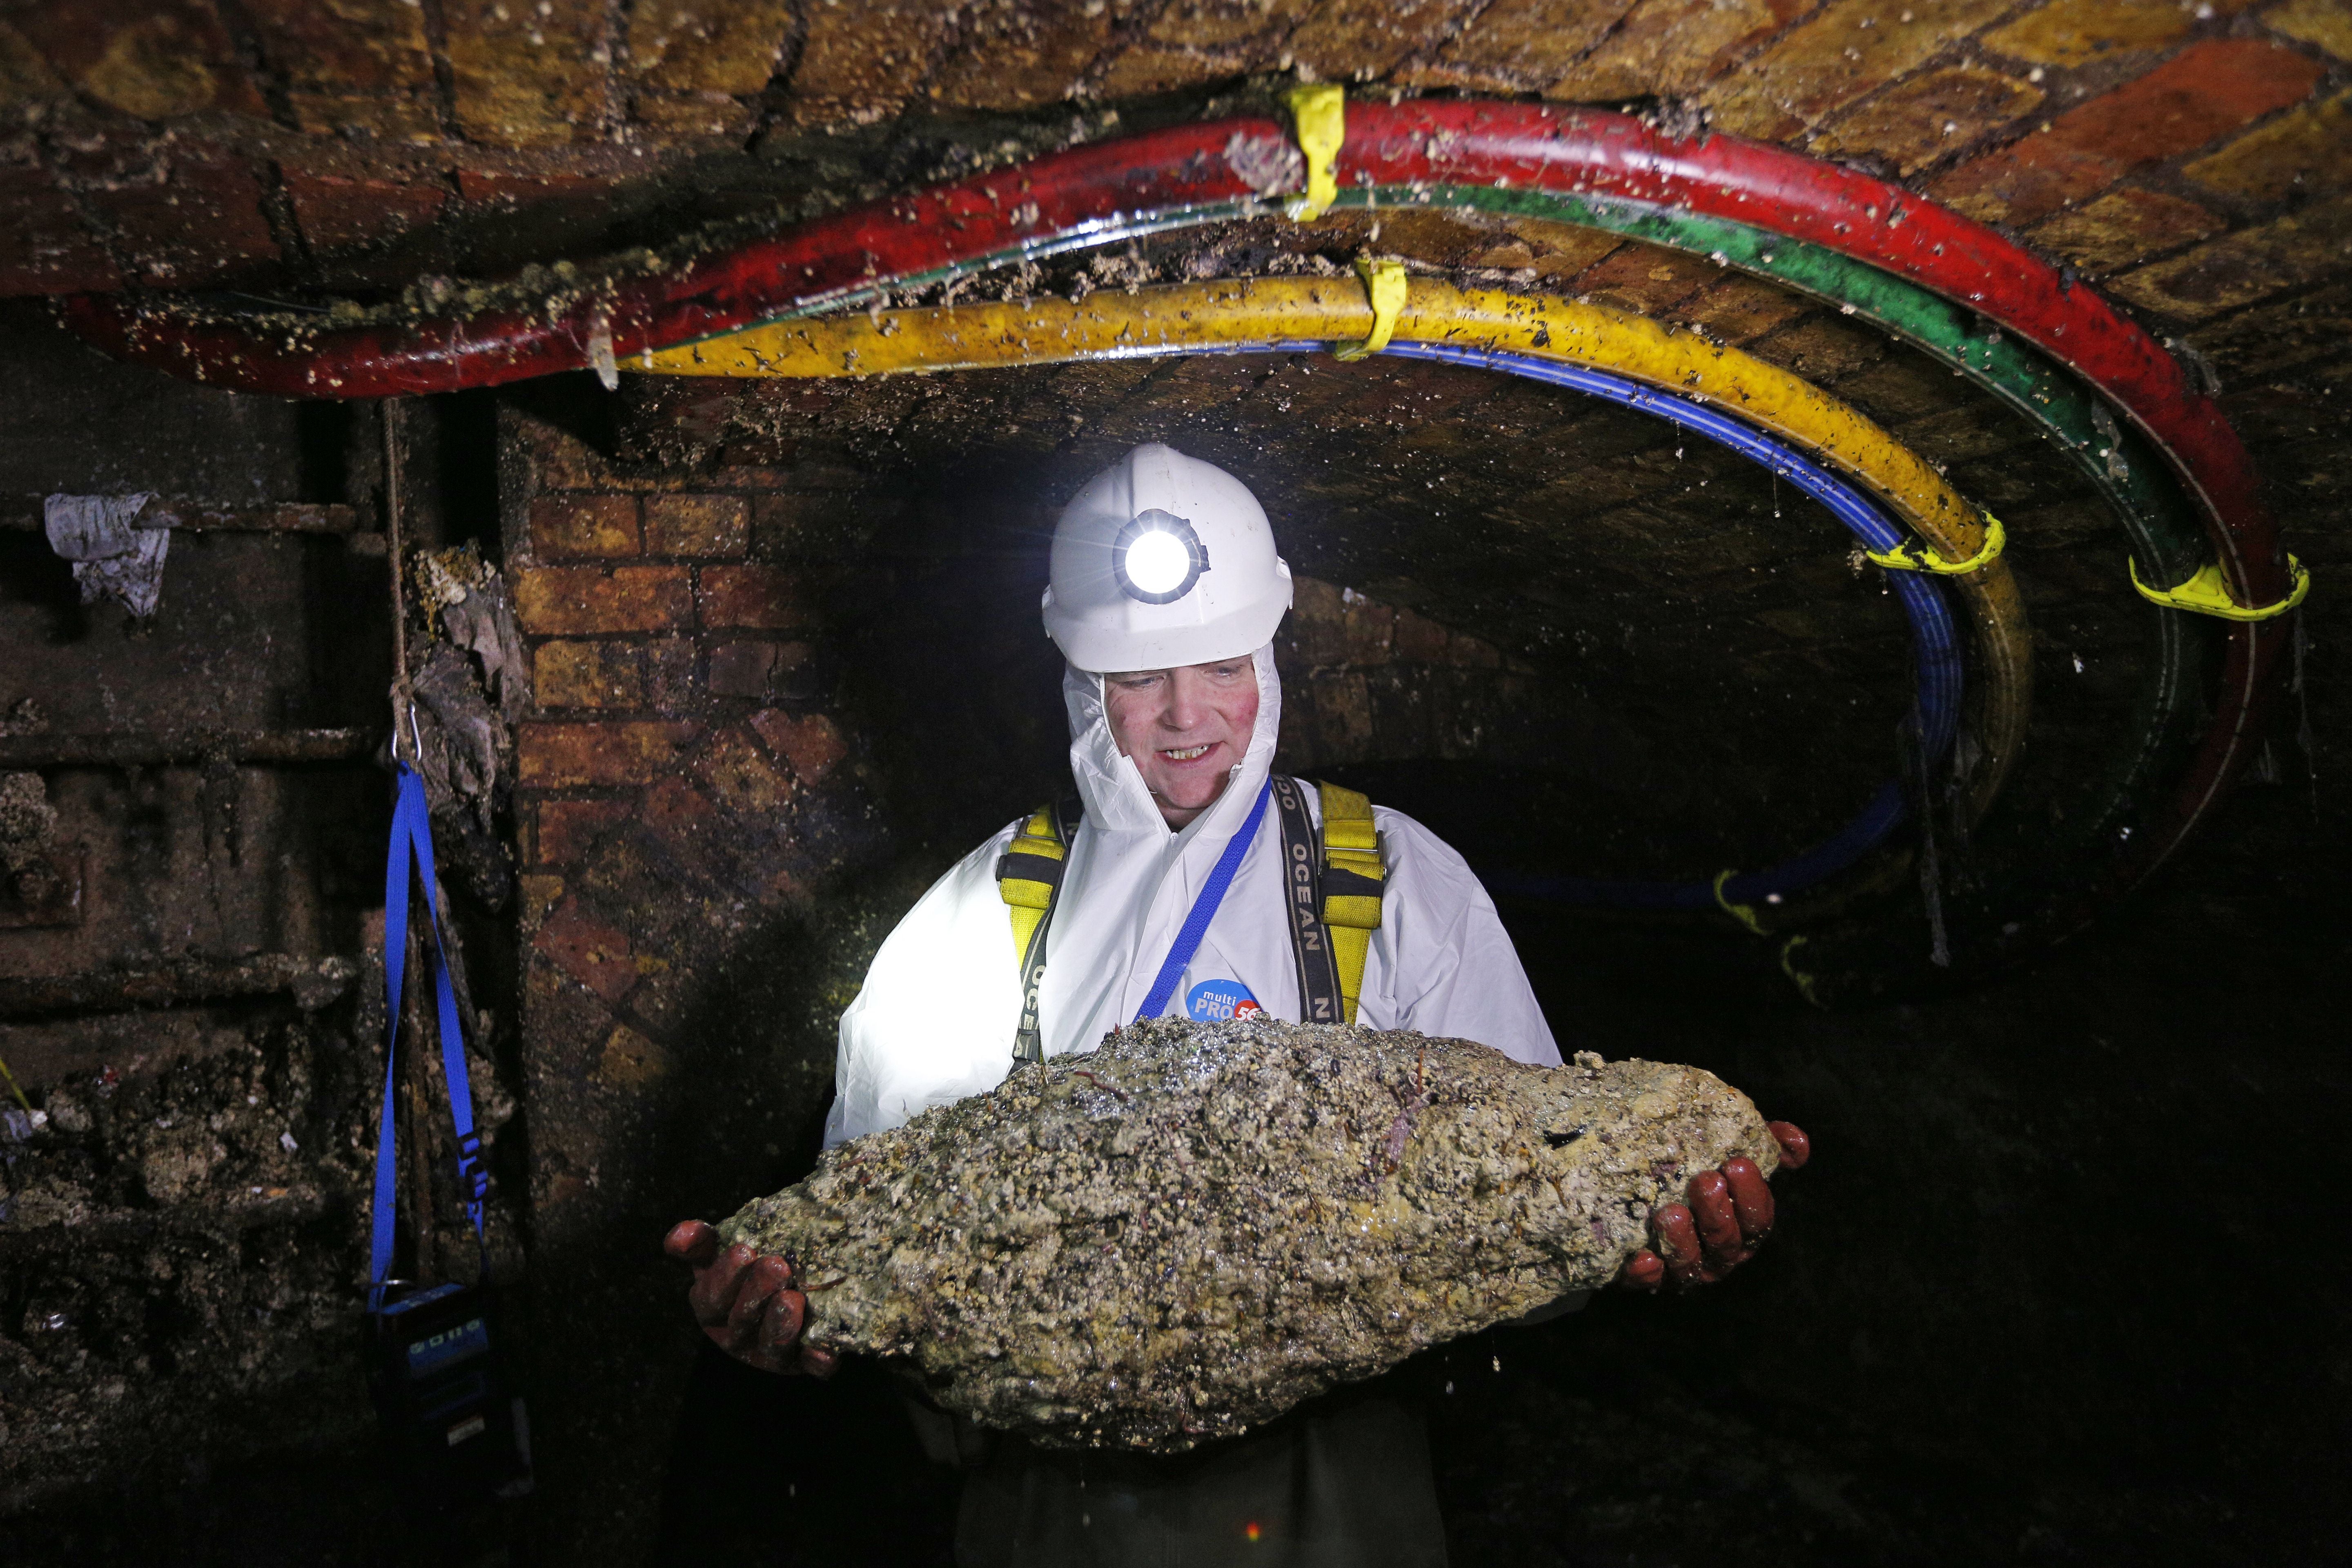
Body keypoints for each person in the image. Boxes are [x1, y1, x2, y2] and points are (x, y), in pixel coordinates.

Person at [664, 443, 1809, 1564]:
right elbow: (872, 1243)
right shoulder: (986, 912)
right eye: (1141, 678)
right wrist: (786, 1309)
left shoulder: (1394, 880)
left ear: (1270, 661)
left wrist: (1652, 1234)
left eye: (1222, 665)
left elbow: (1528, 1217)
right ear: (1081, 684)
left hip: (1336, 1502)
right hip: (1052, 1510)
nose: (1187, 716)